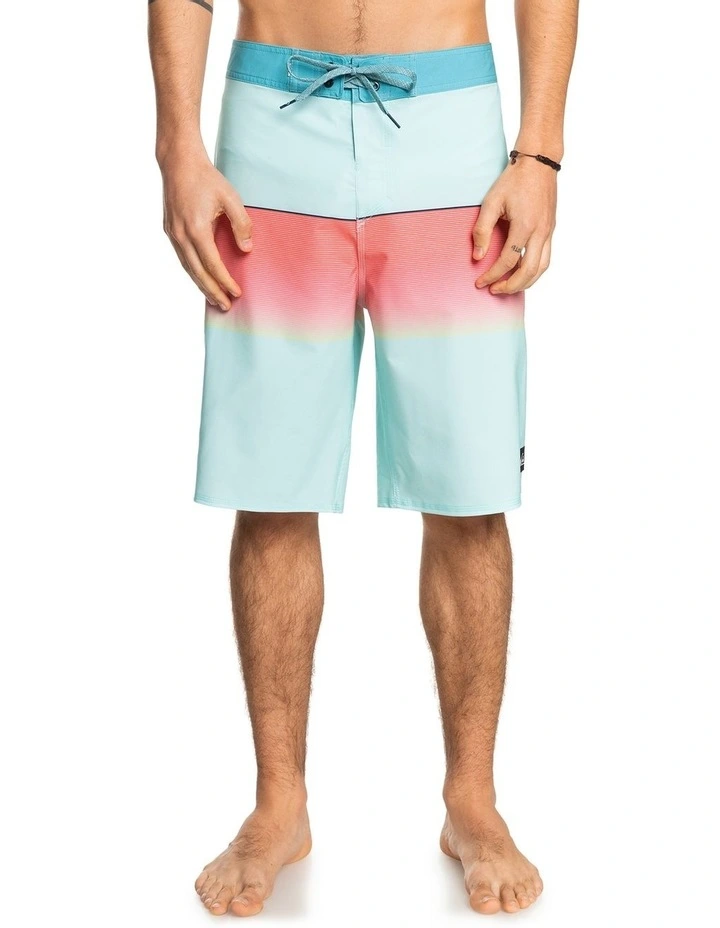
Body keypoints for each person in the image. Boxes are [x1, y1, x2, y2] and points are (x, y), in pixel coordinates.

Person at [148, 0, 577, 916]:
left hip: (451, 134)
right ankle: (279, 805)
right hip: (271, 127)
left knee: (468, 489)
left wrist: (540, 154)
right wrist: (177, 146)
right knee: (270, 484)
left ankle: (472, 803)